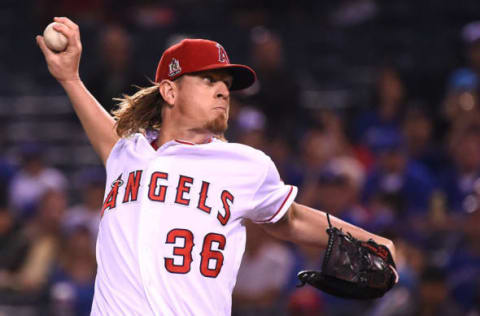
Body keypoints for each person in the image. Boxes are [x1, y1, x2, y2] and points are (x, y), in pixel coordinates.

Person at [36, 17, 397, 316]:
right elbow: (107, 134)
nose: (223, 91)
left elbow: (293, 220)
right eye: (208, 80)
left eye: (226, 84)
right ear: (170, 91)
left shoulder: (245, 164)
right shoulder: (126, 153)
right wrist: (70, 78)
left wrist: (373, 241)